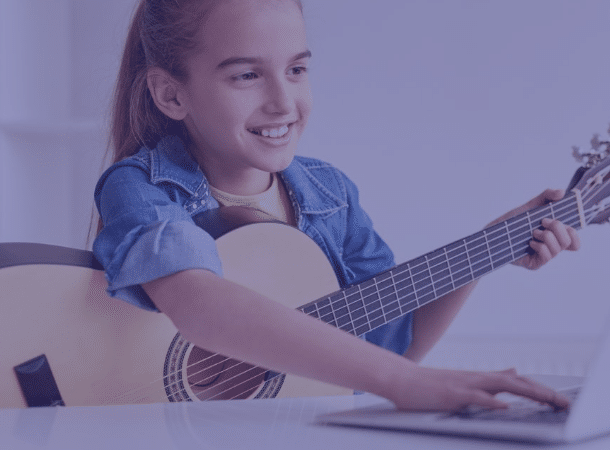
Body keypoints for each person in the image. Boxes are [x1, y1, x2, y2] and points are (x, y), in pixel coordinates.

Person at [94, 0, 580, 411]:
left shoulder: (331, 195)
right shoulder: (138, 187)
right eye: (247, 75)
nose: (284, 102)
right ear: (171, 94)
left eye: (297, 70)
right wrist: (403, 384)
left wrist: (487, 249)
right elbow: (201, 307)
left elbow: (394, 346)